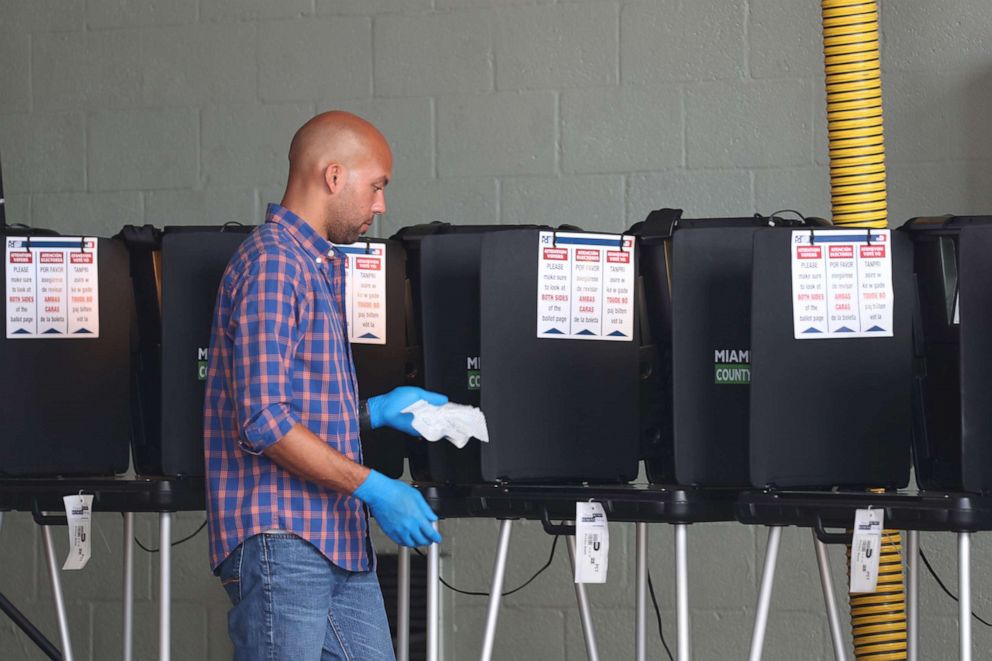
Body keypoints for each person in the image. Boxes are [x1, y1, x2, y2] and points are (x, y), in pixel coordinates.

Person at [204, 110, 446, 660]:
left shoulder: (311, 267)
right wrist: (375, 487)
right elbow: (264, 421)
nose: (381, 205)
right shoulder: (274, 264)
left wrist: (374, 413)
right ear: (333, 177)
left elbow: (288, 407)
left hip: (333, 538)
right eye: (377, 186)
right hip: (283, 542)